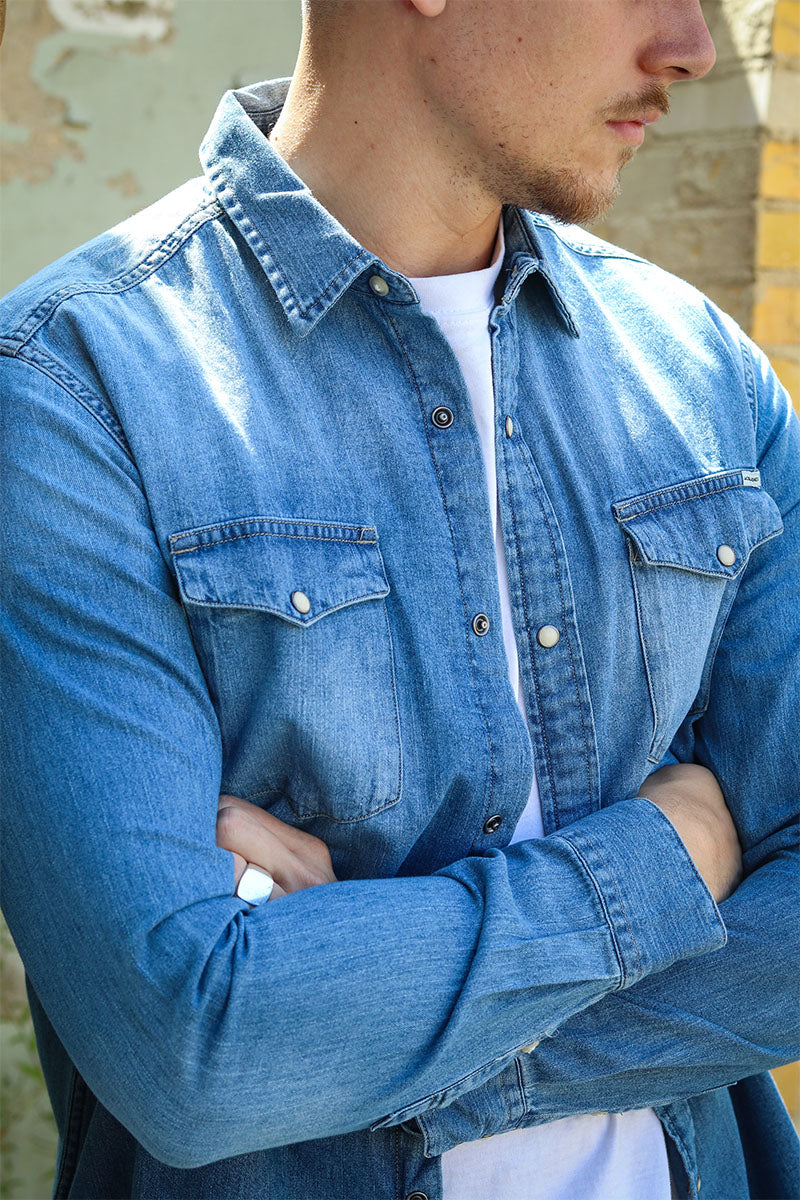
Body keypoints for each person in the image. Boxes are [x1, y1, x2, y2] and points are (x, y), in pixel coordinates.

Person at [1, 0, 798, 1197]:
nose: (688, 44)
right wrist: (666, 859)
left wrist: (330, 1034)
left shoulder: (700, 371)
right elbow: (189, 1052)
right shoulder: (71, 392)